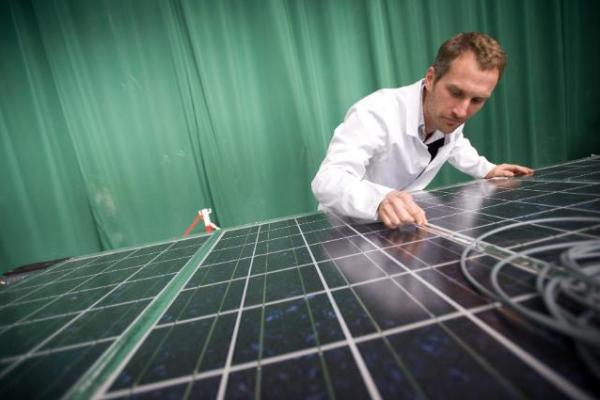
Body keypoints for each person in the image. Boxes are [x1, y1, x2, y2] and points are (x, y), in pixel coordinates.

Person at [311, 32, 533, 229]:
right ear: (430, 78)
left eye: (477, 100)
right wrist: (378, 200)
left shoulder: (450, 113)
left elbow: (456, 144)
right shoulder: (375, 112)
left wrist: (488, 169)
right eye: (455, 92)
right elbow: (327, 180)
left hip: (398, 226)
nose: (462, 111)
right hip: (347, 228)